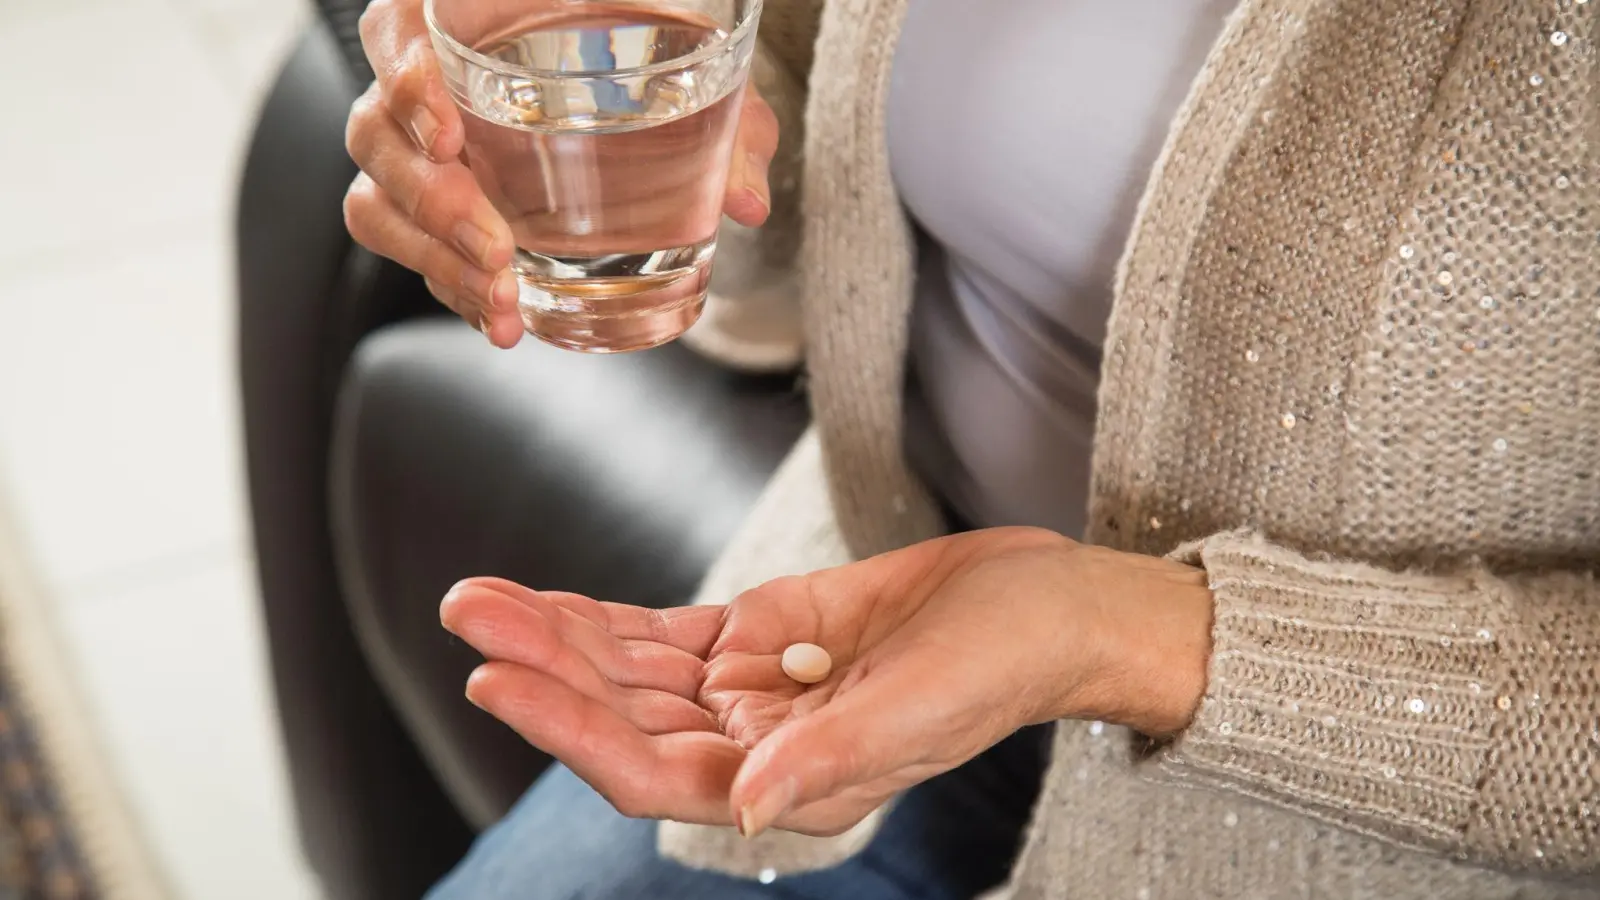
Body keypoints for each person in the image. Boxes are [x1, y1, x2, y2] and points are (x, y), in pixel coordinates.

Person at [341, 0, 1600, 897]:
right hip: (854, 636)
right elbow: (787, 67)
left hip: (1358, 842)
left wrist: (1128, 638)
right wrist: (633, 121)